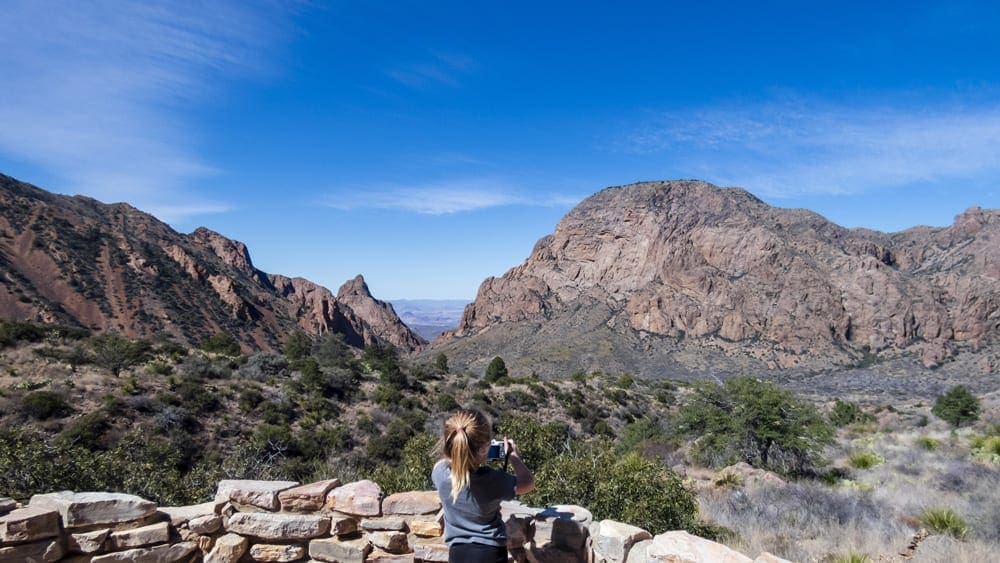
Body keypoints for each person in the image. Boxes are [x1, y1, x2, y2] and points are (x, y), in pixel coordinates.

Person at [431, 409, 535, 563]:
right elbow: (528, 483)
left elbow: (448, 462)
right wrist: (513, 456)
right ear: (484, 448)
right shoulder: (493, 480)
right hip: (490, 553)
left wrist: (474, 454)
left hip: (458, 554)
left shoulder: (439, 473)